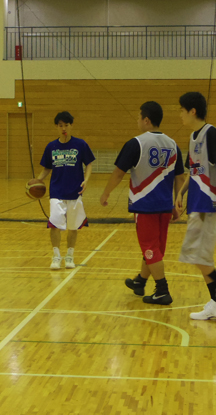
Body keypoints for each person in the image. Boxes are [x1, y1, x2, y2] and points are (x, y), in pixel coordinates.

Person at [100, 101, 183, 304]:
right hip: (165, 206)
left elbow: (118, 173)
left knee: (150, 248)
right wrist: (178, 202)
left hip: (145, 205)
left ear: (146, 120)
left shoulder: (136, 143)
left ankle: (162, 290)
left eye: (138, 117)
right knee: (156, 247)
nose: (137, 121)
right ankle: (140, 281)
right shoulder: (173, 144)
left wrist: (106, 193)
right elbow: (180, 177)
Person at [175, 92, 216, 320]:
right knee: (197, 254)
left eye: (182, 110)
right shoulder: (192, 137)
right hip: (197, 200)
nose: (180, 114)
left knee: (195, 254)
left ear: (192, 111)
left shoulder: (211, 133)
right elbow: (193, 171)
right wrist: (181, 193)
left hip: (210, 202)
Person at [35, 111, 95, 270]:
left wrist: (86, 180)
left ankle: (69, 256)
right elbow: (47, 168)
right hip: (56, 192)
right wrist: (37, 181)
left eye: (66, 125)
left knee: (73, 227)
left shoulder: (80, 144)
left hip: (75, 191)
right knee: (54, 224)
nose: (63, 128)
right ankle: (56, 256)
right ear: (57, 127)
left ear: (71, 126)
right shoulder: (51, 146)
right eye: (60, 125)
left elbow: (89, 163)